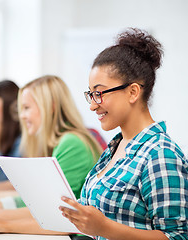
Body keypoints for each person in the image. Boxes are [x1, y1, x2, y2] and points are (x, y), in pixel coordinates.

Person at [59, 28, 188, 240]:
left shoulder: (160, 155)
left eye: (99, 94)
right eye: (91, 94)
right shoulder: (115, 147)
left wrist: (104, 228)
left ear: (133, 92)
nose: (92, 105)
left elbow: (178, 236)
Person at [0, 75, 103, 235]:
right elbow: (37, 201)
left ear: (50, 107)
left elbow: (54, 211)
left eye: (27, 108)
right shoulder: (58, 143)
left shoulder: (72, 143)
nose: (22, 116)